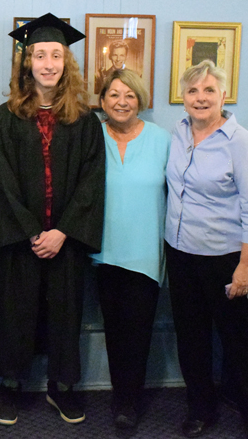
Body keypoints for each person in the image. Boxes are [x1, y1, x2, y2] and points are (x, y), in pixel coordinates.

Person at [0, 13, 105, 427]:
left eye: (56, 55)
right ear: (27, 63)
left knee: (65, 313)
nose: (48, 63)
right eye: (40, 55)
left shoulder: (86, 121)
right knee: (14, 311)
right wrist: (34, 231)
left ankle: (61, 387)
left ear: (66, 62)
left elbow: (91, 181)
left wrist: (62, 231)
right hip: (21, 239)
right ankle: (10, 385)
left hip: (66, 239)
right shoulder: (3, 118)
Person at [165, 60, 248, 439]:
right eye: (193, 90)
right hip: (180, 253)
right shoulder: (177, 133)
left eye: (209, 90)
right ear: (183, 97)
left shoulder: (241, 143)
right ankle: (201, 409)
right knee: (191, 338)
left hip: (228, 258)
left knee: (241, 339)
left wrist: (246, 267)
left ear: (224, 95)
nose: (201, 98)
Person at [89, 69, 171, 430]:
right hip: (102, 251)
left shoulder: (163, 140)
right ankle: (120, 395)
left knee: (137, 331)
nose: (122, 102)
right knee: (113, 328)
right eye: (114, 95)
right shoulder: (90, 136)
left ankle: (129, 401)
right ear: (102, 100)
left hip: (144, 254)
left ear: (140, 100)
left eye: (130, 95)